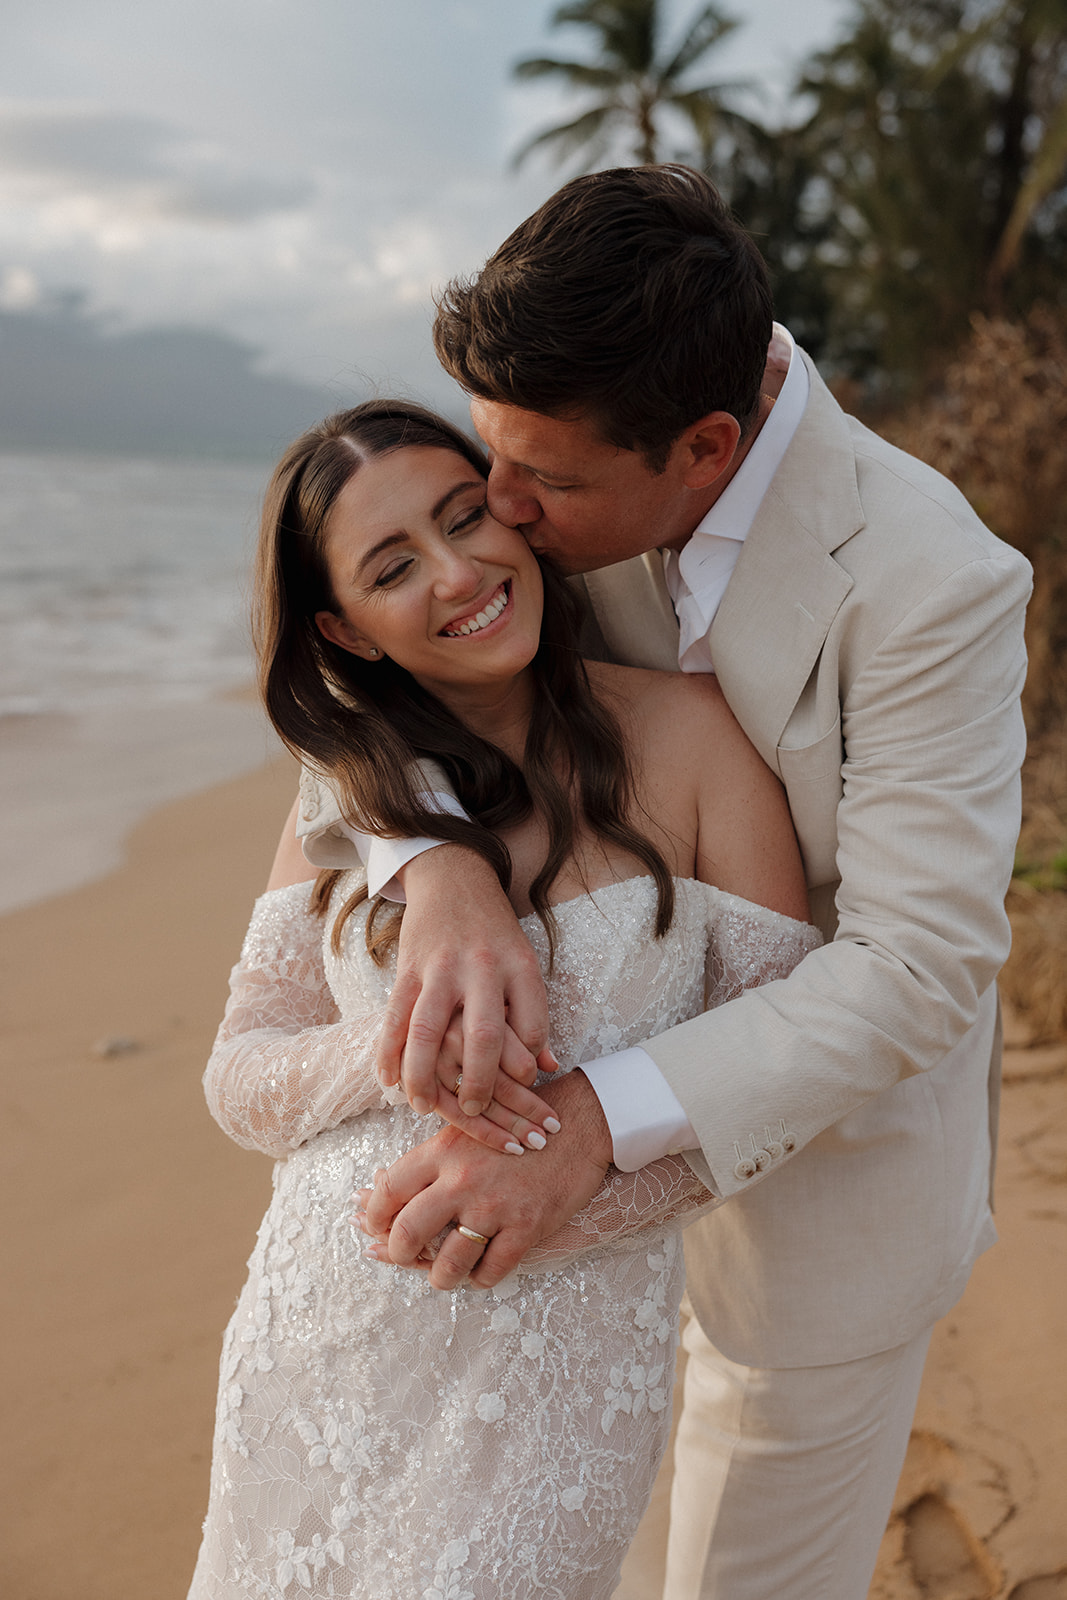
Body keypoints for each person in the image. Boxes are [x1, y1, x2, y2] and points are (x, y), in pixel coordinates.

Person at [338, 168, 1033, 1598]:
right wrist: (442, 870)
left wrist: (598, 1123)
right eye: (488, 462)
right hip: (569, 1262)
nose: (501, 518)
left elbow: (915, 965)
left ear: (705, 446)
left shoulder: (931, 583)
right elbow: (354, 689)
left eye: (545, 486)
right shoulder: (551, 477)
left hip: (816, 1221)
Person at [187, 400, 817, 1599]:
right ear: (347, 631)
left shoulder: (690, 739)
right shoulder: (341, 792)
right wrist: (396, 1041)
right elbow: (239, 1078)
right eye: (392, 565)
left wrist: (574, 1187)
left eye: (463, 516)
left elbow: (779, 1071)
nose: (458, 571)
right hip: (319, 1336)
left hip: (557, 1375)